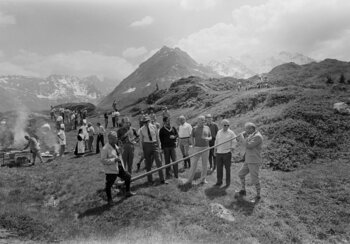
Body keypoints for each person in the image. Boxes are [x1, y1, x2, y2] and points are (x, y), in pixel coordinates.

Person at [101, 131, 135, 205]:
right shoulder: (105, 148)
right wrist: (114, 160)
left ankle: (127, 192)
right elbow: (103, 160)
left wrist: (120, 149)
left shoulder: (115, 145)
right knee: (109, 185)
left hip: (119, 167)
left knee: (128, 176)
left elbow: (119, 154)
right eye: (115, 138)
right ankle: (110, 200)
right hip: (111, 170)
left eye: (116, 138)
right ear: (110, 139)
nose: (117, 139)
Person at [236, 122, 263, 202]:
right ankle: (243, 190)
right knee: (241, 174)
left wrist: (242, 137)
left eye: (247, 129)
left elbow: (248, 145)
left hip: (254, 160)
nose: (245, 130)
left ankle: (258, 196)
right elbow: (243, 143)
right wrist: (241, 137)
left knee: (255, 179)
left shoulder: (258, 136)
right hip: (248, 160)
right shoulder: (251, 135)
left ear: (251, 128)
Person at [139, 115, 167, 185]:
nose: (146, 123)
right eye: (144, 122)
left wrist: (159, 146)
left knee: (159, 162)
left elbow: (157, 137)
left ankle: (162, 179)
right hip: (146, 145)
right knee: (148, 163)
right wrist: (141, 150)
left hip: (154, 145)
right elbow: (140, 141)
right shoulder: (141, 129)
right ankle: (150, 180)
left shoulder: (154, 127)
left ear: (149, 121)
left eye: (147, 121)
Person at [184, 115, 211, 185]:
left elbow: (210, 137)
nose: (201, 121)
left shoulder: (207, 128)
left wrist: (207, 138)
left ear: (204, 121)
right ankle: (189, 180)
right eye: (200, 120)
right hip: (197, 148)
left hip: (206, 148)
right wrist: (193, 144)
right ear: (198, 121)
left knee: (205, 164)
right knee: (193, 164)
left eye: (202, 120)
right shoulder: (194, 128)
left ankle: (203, 179)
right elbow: (191, 136)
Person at [214, 119, 236, 187]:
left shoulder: (231, 132)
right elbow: (216, 141)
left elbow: (234, 141)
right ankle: (219, 181)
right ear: (222, 125)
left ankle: (227, 183)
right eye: (225, 125)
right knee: (219, 168)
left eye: (228, 125)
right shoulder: (219, 132)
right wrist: (215, 150)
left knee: (227, 169)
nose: (226, 126)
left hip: (227, 153)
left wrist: (232, 147)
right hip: (219, 153)